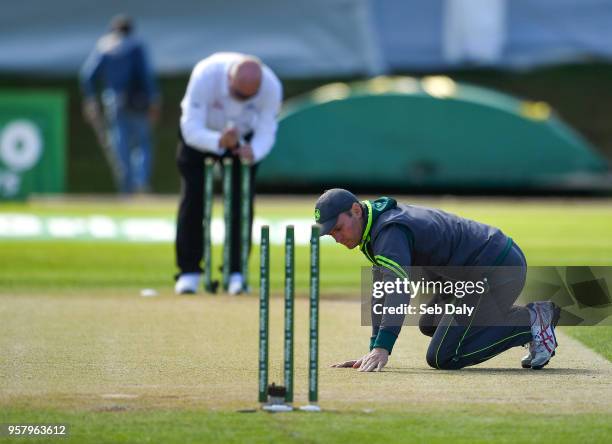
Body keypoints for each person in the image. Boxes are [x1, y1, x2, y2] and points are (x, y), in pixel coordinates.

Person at [315, 188, 560, 372]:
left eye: (337, 228)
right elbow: (382, 289)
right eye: (330, 233)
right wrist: (374, 348)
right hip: (473, 273)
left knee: (444, 356)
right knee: (430, 323)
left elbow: (398, 290)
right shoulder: (374, 227)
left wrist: (383, 348)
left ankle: (532, 321)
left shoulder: (388, 231)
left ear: (356, 210)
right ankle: (523, 319)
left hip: (497, 269)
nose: (336, 237)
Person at [174, 52, 283, 295]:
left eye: (248, 96)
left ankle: (236, 271)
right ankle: (188, 272)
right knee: (194, 200)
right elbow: (190, 127)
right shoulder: (206, 74)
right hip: (202, 136)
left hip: (244, 139)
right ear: (229, 80)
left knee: (241, 206)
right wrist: (218, 141)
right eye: (238, 94)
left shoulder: (271, 86)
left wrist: (252, 151)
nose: (242, 99)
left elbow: (267, 131)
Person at [80, 14, 160, 194]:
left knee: (119, 144)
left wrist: (91, 100)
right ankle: (141, 183)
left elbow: (87, 76)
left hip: (113, 102)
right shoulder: (136, 46)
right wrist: (154, 100)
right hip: (138, 102)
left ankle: (126, 187)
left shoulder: (104, 47)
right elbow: (146, 76)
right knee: (142, 143)